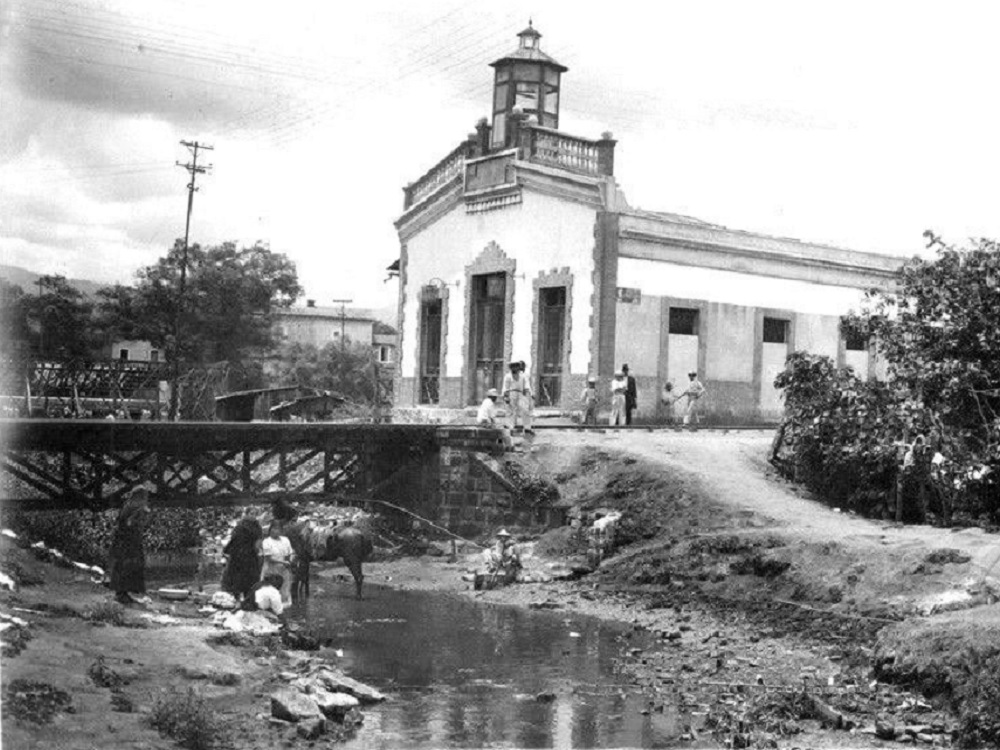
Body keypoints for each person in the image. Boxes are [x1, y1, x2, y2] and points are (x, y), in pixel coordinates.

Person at [108, 487, 151, 605]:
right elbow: (129, 523)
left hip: (125, 541)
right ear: (140, 497)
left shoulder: (128, 505)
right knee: (128, 565)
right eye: (145, 496)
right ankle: (122, 594)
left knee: (124, 566)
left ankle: (122, 593)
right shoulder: (134, 507)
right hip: (128, 542)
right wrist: (140, 516)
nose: (146, 499)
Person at [221, 516, 263, 601]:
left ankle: (235, 604)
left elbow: (229, 547)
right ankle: (248, 606)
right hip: (250, 561)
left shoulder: (238, 528)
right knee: (250, 586)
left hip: (236, 560)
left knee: (236, 586)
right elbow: (257, 547)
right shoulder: (257, 529)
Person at [261, 523, 294, 605]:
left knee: (284, 594)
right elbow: (268, 558)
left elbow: (290, 553)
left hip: (284, 570)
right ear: (270, 530)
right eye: (274, 528)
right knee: (271, 594)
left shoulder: (285, 540)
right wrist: (282, 562)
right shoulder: (266, 542)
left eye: (278, 529)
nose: (276, 531)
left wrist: (290, 560)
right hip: (271, 571)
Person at [502, 360, 534, 435]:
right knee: (511, 411)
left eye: (515, 367)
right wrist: (506, 397)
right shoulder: (508, 376)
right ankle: (510, 428)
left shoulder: (523, 376)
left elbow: (527, 387)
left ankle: (527, 428)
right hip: (511, 393)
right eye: (512, 367)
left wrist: (528, 398)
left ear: (518, 368)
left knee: (525, 410)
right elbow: (506, 388)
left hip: (521, 394)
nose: (514, 368)